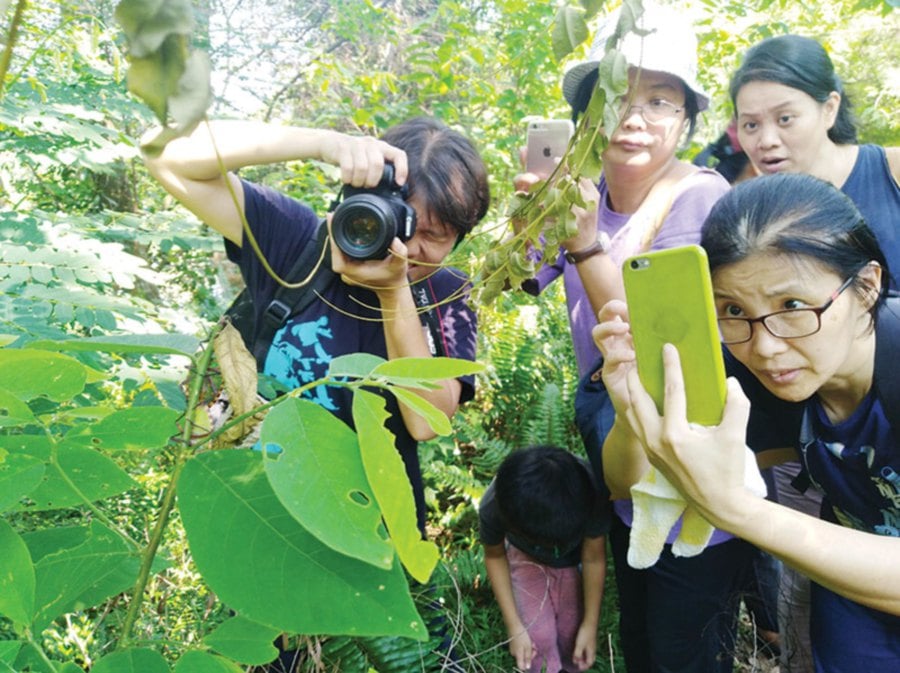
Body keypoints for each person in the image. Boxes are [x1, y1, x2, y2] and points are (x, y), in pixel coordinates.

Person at [142, 117, 490, 671]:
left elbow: (426, 420)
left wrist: (396, 290)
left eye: (436, 237)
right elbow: (164, 152)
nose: (408, 246)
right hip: (263, 518)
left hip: (373, 527)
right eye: (403, 221)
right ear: (361, 193)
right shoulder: (295, 241)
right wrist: (326, 143)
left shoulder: (443, 292)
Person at [519, 4, 750, 672]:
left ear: (685, 121)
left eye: (662, 101)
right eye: (619, 95)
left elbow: (651, 338)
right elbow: (523, 278)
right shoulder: (578, 192)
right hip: (614, 424)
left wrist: (585, 243)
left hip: (679, 430)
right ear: (591, 110)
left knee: (683, 629)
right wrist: (533, 215)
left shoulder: (699, 198)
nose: (637, 115)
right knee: (643, 615)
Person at [594, 172, 900, 672]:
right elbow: (626, 484)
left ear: (866, 286)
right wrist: (632, 412)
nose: (766, 345)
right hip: (851, 582)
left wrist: (735, 509)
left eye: (793, 306)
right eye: (733, 309)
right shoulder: (753, 376)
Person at [729, 34, 900, 671]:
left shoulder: (888, 173)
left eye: (784, 118)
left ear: (829, 108)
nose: (766, 138)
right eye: (750, 123)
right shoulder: (746, 221)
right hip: (839, 466)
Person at [478, 445, 610, 673]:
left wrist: (590, 625)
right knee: (537, 635)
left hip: (572, 560)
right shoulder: (495, 504)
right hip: (523, 557)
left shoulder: (592, 494)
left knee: (573, 631)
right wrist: (515, 628)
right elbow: (495, 555)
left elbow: (593, 558)